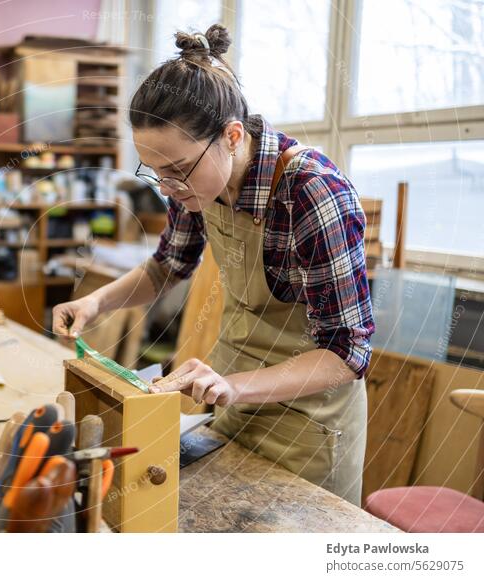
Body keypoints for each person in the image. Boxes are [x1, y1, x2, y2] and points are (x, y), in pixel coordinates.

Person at [52, 23, 374, 506]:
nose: (168, 186)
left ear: (232, 135)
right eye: (155, 171)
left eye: (177, 170)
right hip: (231, 402)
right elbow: (168, 266)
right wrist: (98, 302)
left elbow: (347, 354)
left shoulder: (312, 193)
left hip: (307, 423)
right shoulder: (193, 182)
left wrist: (231, 385)